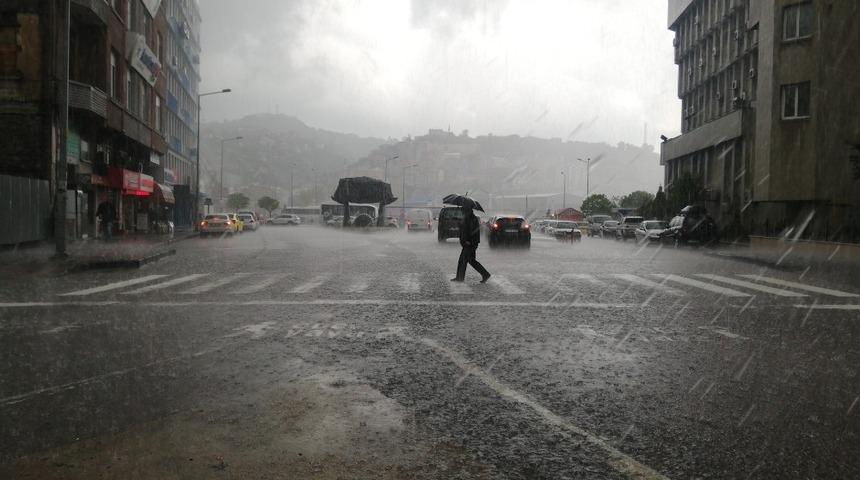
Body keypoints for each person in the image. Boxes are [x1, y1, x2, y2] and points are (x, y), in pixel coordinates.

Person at [452, 206, 491, 283]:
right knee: (471, 260)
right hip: (469, 242)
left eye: (463, 210)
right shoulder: (468, 218)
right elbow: (465, 229)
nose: (462, 212)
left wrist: (468, 241)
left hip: (469, 243)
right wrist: (460, 224)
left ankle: (460, 277)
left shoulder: (471, 219)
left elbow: (470, 231)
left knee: (463, 260)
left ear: (467, 211)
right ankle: (485, 274)